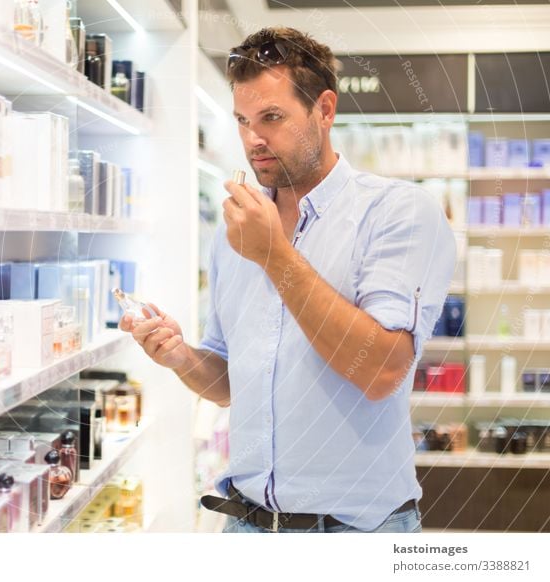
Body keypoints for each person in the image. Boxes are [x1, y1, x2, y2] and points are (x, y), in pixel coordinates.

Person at [119, 27, 455, 533]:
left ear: (324, 110)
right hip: (248, 529)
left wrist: (275, 255)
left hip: (354, 536)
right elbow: (232, 382)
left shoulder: (396, 213)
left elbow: (383, 370)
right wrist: (182, 358)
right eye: (243, 121)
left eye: (272, 118)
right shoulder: (235, 230)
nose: (254, 139)